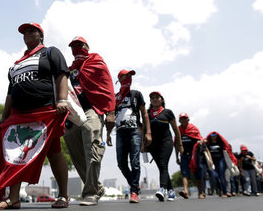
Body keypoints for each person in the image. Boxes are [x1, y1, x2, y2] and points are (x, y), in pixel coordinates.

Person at [0, 23, 70, 209]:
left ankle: (63, 195)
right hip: (19, 115)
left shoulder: (50, 52)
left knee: (54, 152)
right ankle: (13, 198)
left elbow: (62, 75)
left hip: (45, 113)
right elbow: (10, 93)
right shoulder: (16, 64)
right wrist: (4, 117)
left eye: (31, 30)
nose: (27, 33)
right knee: (14, 154)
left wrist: (62, 100)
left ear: (40, 35)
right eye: (24, 32)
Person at [63, 37, 116, 206]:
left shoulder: (96, 62)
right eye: (73, 46)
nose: (77, 48)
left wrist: (111, 112)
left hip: (93, 108)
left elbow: (107, 86)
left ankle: (90, 192)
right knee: (71, 142)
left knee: (91, 139)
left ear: (87, 46)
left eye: (80, 45)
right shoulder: (69, 70)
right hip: (74, 112)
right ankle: (96, 186)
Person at [113, 69, 151, 203]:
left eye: (130, 76)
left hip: (135, 131)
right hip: (120, 133)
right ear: (120, 78)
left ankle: (134, 192)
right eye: (126, 76)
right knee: (121, 163)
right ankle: (134, 185)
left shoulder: (136, 94)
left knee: (135, 162)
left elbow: (145, 114)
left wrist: (148, 132)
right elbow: (111, 116)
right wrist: (107, 135)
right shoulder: (115, 97)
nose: (129, 78)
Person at [147, 91, 182, 202]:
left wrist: (180, 144)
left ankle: (162, 189)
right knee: (163, 167)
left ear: (162, 99)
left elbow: (176, 129)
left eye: (157, 97)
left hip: (166, 142)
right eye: (152, 98)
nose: (155, 99)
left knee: (163, 164)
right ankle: (171, 191)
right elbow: (144, 129)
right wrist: (143, 144)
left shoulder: (168, 112)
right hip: (152, 144)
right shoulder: (147, 113)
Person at [175, 112, 205, 199]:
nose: (183, 120)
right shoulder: (178, 130)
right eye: (182, 119)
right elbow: (176, 144)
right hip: (184, 155)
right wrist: (177, 157)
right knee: (184, 174)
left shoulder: (193, 128)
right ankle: (186, 191)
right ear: (179, 120)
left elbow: (201, 139)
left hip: (195, 155)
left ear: (188, 119)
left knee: (198, 173)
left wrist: (200, 142)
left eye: (185, 118)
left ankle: (201, 192)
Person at [205, 132, 237, 198]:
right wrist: (210, 160)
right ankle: (219, 188)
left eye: (215, 135)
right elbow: (207, 152)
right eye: (212, 135)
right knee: (215, 176)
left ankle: (225, 192)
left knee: (222, 176)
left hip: (221, 160)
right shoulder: (208, 144)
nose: (213, 136)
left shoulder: (220, 143)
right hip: (213, 161)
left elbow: (226, 149)